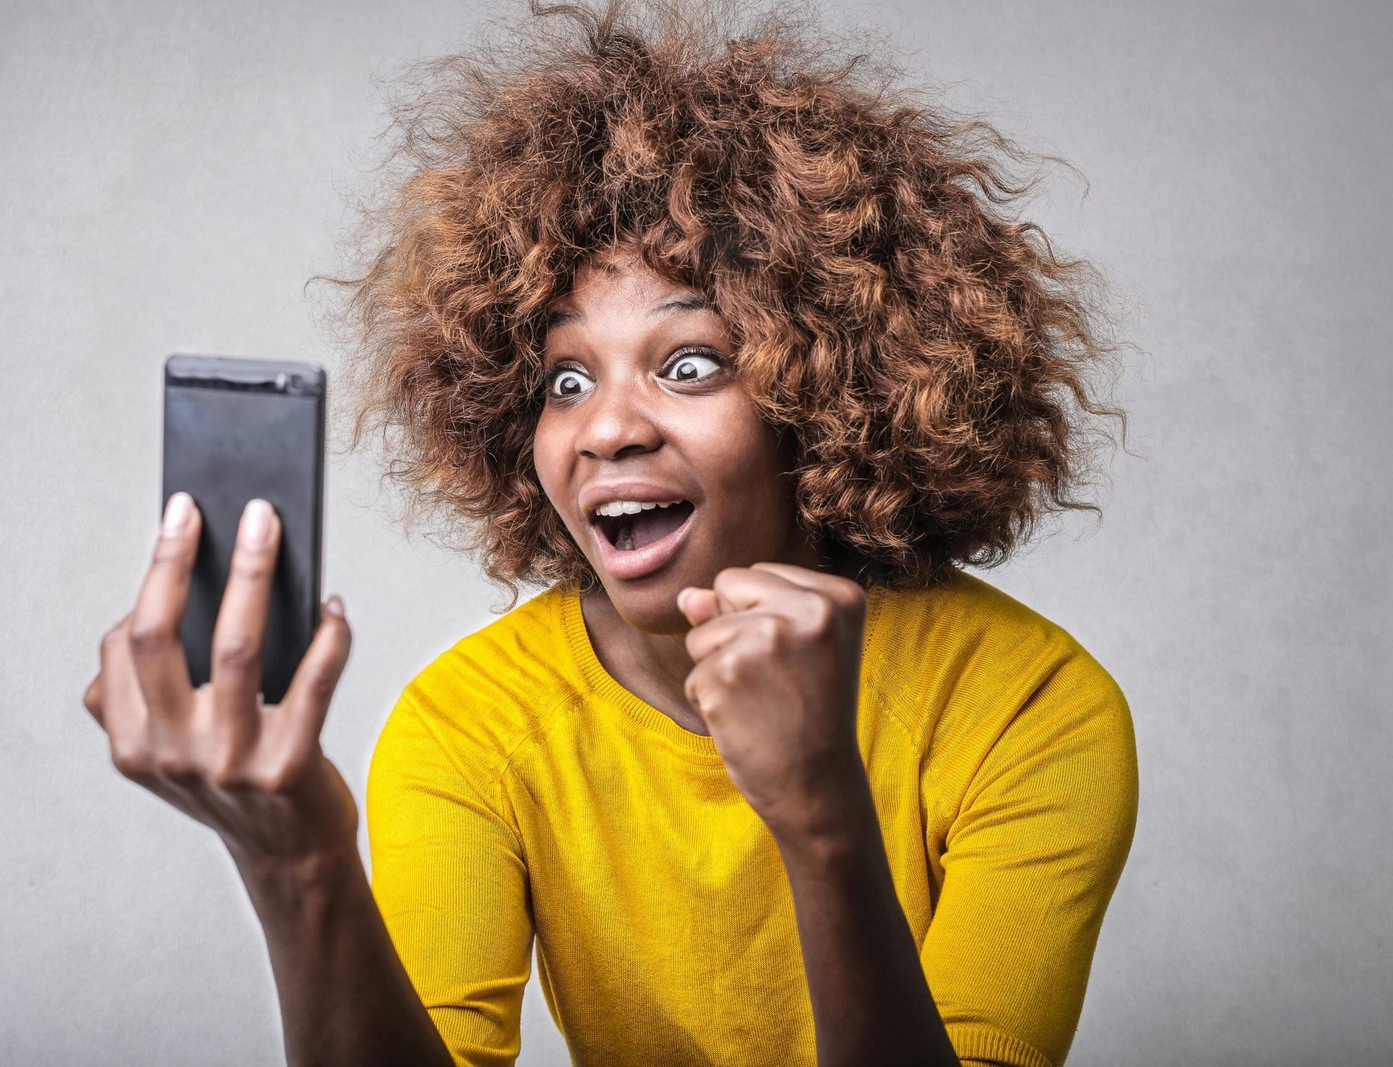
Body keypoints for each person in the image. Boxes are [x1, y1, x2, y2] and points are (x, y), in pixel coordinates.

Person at [82, 3, 1137, 1065]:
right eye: (565, 379)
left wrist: (821, 813)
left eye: (688, 364)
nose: (606, 428)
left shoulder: (1031, 711)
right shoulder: (472, 725)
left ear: (829, 396)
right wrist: (298, 864)